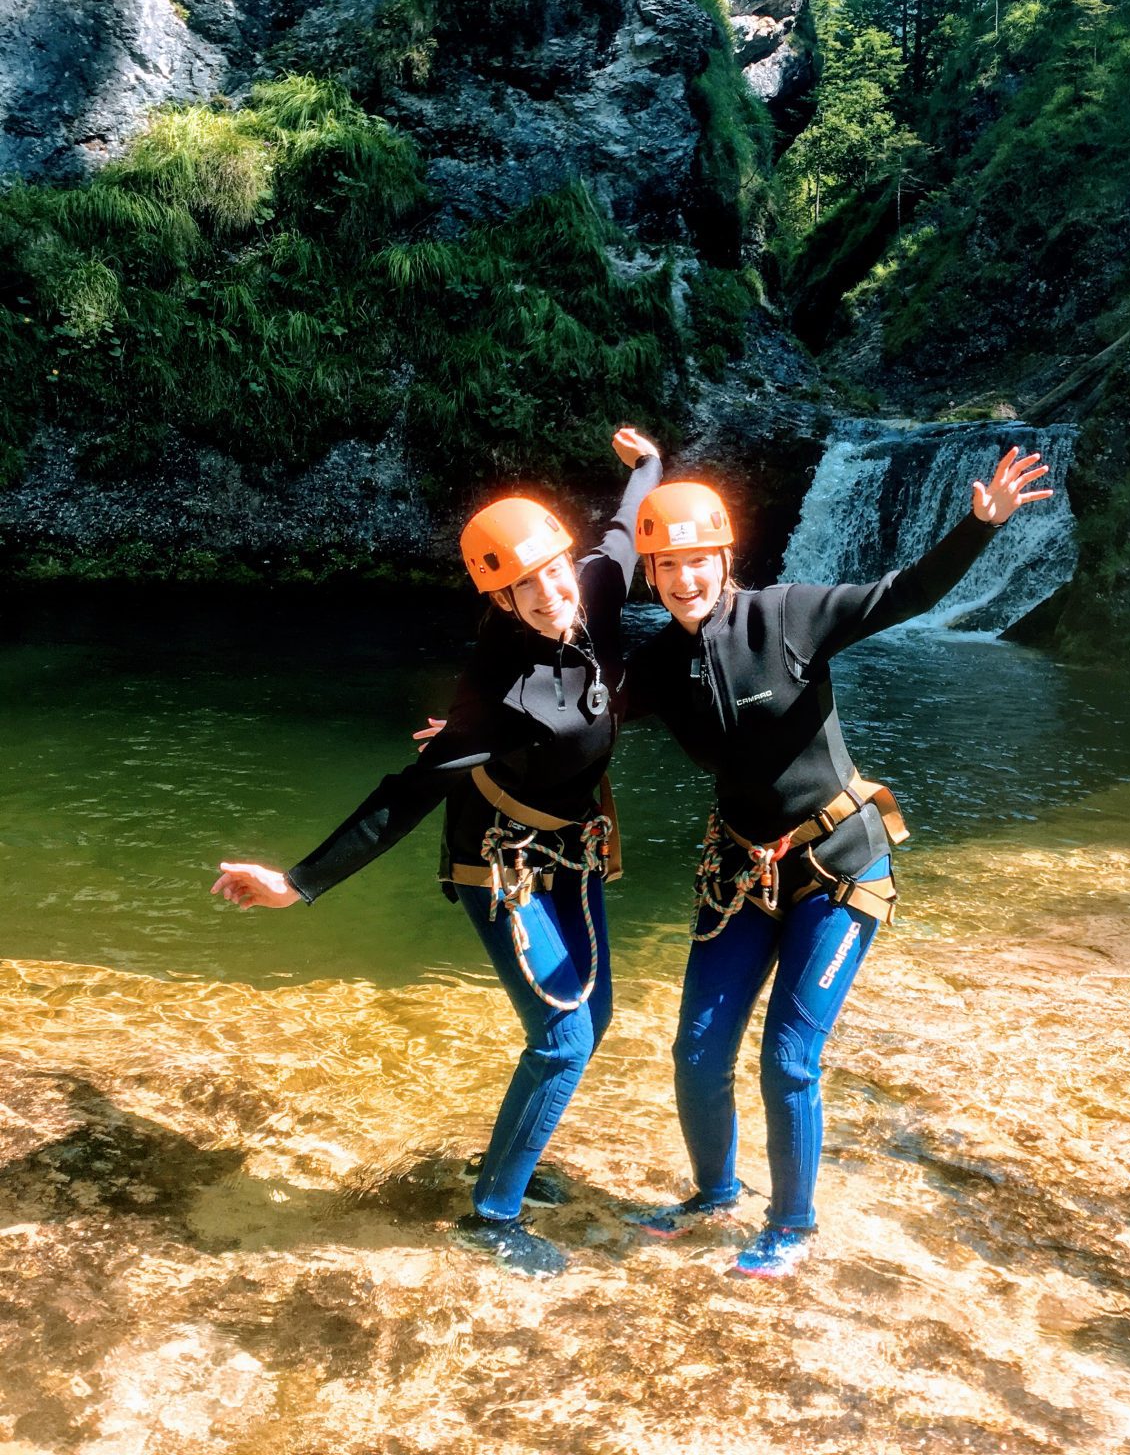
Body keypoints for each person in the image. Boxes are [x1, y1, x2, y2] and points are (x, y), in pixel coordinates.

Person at [211, 427, 662, 1278]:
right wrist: (298, 883)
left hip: (573, 850)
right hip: (501, 861)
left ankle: (513, 1166)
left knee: (590, 1021)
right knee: (563, 1038)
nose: (549, 593)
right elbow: (404, 795)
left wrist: (646, 467)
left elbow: (625, 520)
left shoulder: (596, 587)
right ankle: (491, 1216)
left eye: (553, 572)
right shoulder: (496, 693)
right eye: (524, 588)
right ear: (498, 602)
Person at [626, 444, 1053, 1279]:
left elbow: (905, 594)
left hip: (837, 866)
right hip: (743, 872)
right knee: (696, 1054)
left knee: (787, 1058)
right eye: (666, 565)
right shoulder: (655, 668)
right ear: (649, 571)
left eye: (697, 562)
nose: (685, 580)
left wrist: (981, 525)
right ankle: (713, 1195)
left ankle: (791, 1226)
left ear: (724, 558)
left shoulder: (788, 617)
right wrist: (471, 738)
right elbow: (574, 716)